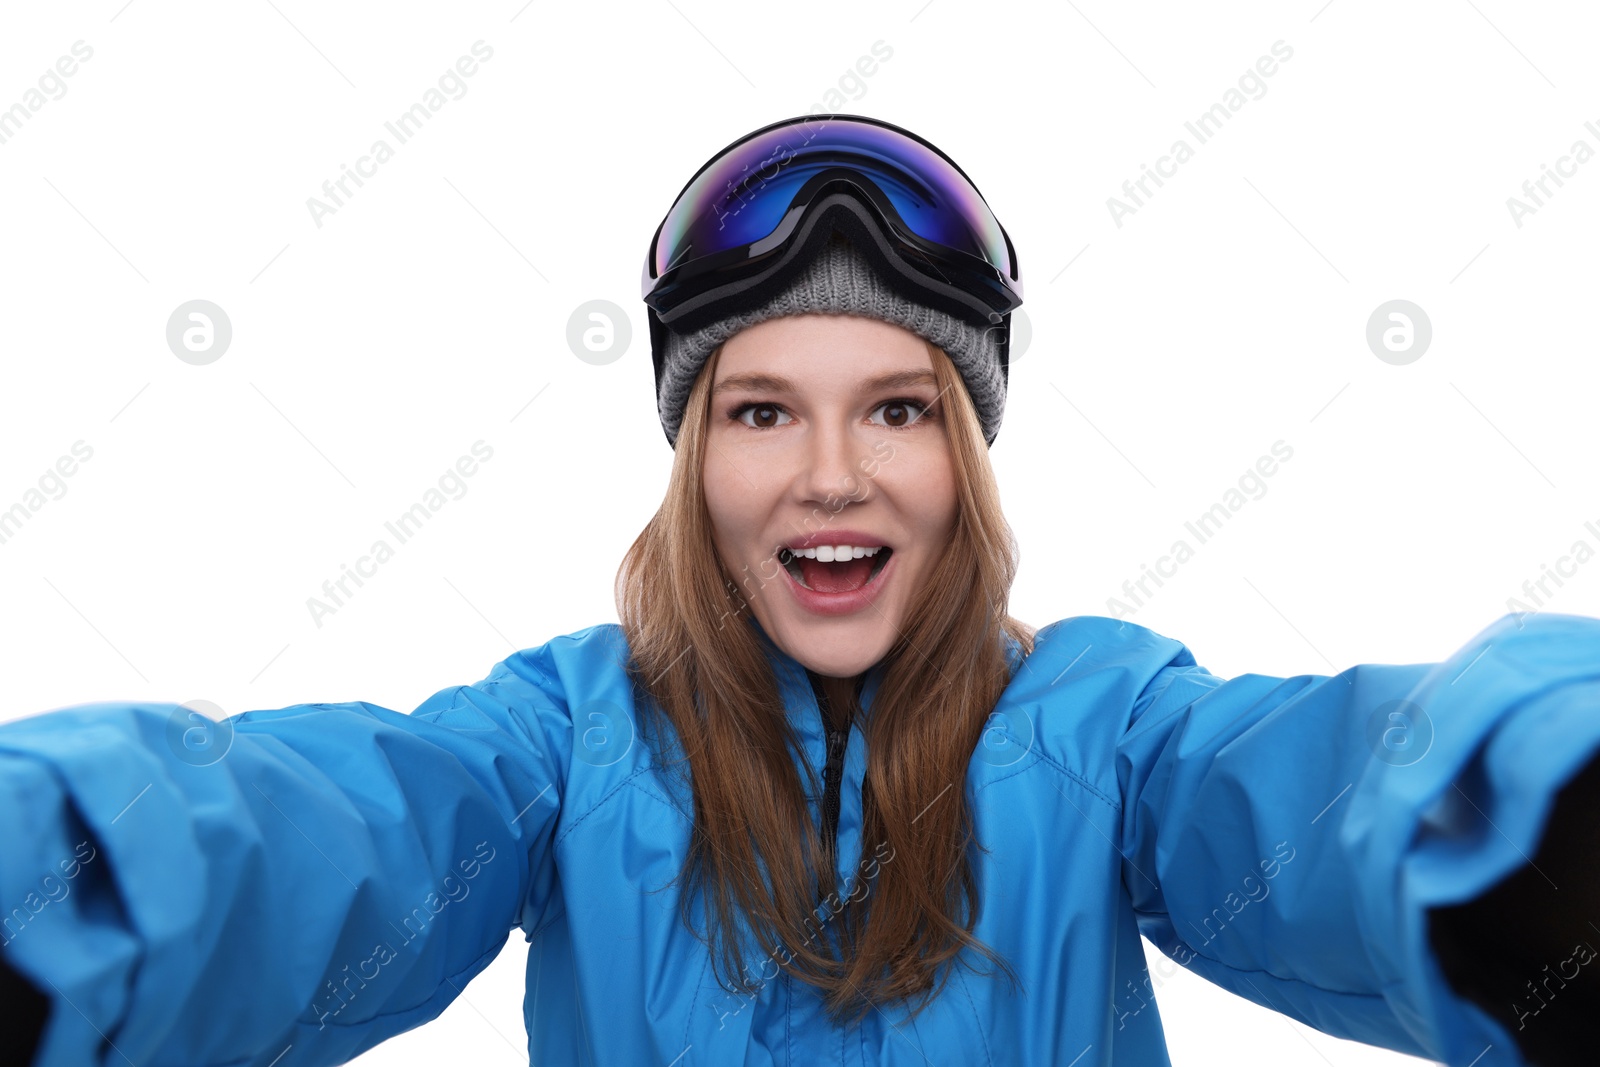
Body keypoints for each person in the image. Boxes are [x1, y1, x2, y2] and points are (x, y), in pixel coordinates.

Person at [0, 113, 1596, 1067]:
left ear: (964, 452)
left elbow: (1344, 796)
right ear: (696, 455)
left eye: (899, 407)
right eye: (761, 410)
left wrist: (1558, 817)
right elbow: (311, 835)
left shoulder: (1105, 730)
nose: (832, 473)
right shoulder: (563, 738)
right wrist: (48, 886)